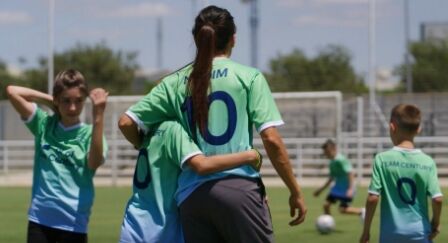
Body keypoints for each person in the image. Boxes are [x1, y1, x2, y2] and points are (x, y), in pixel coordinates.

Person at [118, 5, 306, 243]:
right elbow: (271, 139)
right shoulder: (249, 77)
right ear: (234, 39)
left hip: (190, 198)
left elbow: (125, 122)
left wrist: (141, 143)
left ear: (197, 39)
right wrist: (295, 191)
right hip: (237, 188)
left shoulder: (174, 82)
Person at [6, 69, 108, 243]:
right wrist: (50, 100)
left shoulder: (90, 134)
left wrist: (98, 116)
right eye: (66, 101)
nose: (72, 107)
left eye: (78, 101)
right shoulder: (44, 124)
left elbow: (94, 163)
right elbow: (12, 91)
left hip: (74, 224)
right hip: (39, 221)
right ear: (57, 99)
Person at [119, 120, 262, 243]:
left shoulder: (150, 128)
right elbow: (202, 165)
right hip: (162, 228)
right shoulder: (173, 128)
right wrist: (250, 156)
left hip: (133, 222)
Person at [360, 104, 443, 243]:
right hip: (420, 233)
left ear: (392, 127)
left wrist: (366, 232)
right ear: (419, 129)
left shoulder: (382, 159)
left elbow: (372, 198)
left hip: (391, 234)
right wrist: (435, 222)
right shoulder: (428, 162)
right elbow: (437, 199)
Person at [314, 139, 364, 218]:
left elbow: (350, 173)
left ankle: (362, 211)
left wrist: (350, 189)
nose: (326, 154)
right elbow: (331, 178)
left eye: (327, 152)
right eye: (325, 153)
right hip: (337, 188)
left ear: (334, 149)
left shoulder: (341, 160)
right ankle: (328, 223)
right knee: (326, 205)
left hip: (346, 189)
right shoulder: (332, 162)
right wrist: (320, 190)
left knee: (343, 209)